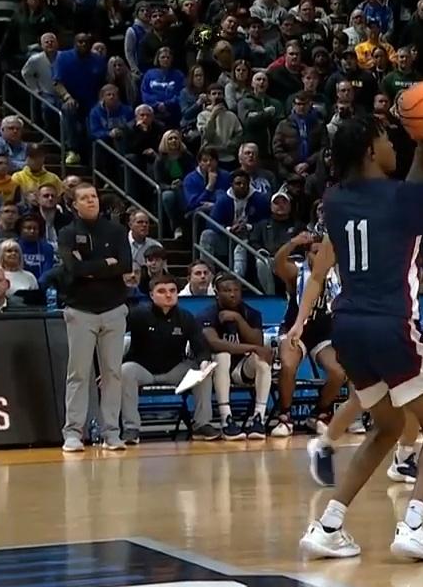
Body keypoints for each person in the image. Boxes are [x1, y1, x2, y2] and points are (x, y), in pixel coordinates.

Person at [290, 117, 423, 562]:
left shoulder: (335, 199)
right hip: (392, 325)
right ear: (368, 151)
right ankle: (414, 525)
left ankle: (328, 525)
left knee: (388, 426)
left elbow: (400, 197)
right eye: (384, 139)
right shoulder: (406, 198)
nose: (392, 146)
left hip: (348, 329)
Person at [56, 182, 132, 452]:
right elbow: (74, 268)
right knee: (78, 373)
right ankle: (73, 433)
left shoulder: (117, 231)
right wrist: (106, 264)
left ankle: (111, 432)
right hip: (80, 311)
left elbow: (125, 265)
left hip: (114, 309)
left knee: (113, 373)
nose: (91, 201)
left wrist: (91, 267)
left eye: (94, 196)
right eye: (85, 198)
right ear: (74, 205)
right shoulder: (67, 233)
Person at [120, 276, 215, 444]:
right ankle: (131, 428)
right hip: (143, 369)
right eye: (162, 291)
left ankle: (201, 425)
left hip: (174, 369)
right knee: (125, 371)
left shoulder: (185, 317)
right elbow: (114, 337)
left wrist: (204, 362)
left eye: (172, 291)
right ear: (151, 295)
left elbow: (199, 344)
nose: (168, 295)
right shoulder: (138, 314)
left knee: (203, 372)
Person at [269, 230, 345, 438]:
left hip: (323, 333)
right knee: (288, 365)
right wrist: (293, 242)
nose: (319, 257)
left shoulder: (337, 275)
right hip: (295, 329)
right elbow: (277, 264)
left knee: (338, 372)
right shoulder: (297, 273)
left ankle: (320, 412)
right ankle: (285, 416)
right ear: (306, 255)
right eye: (314, 252)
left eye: (322, 253)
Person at [199, 275, 275, 440]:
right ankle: (226, 419)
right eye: (227, 290)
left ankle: (258, 418)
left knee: (261, 362)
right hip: (214, 371)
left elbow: (257, 342)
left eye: (236, 290)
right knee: (223, 355)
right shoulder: (207, 314)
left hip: (240, 369)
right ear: (217, 293)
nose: (233, 294)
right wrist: (253, 348)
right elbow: (214, 343)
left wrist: (239, 319)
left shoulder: (250, 313)